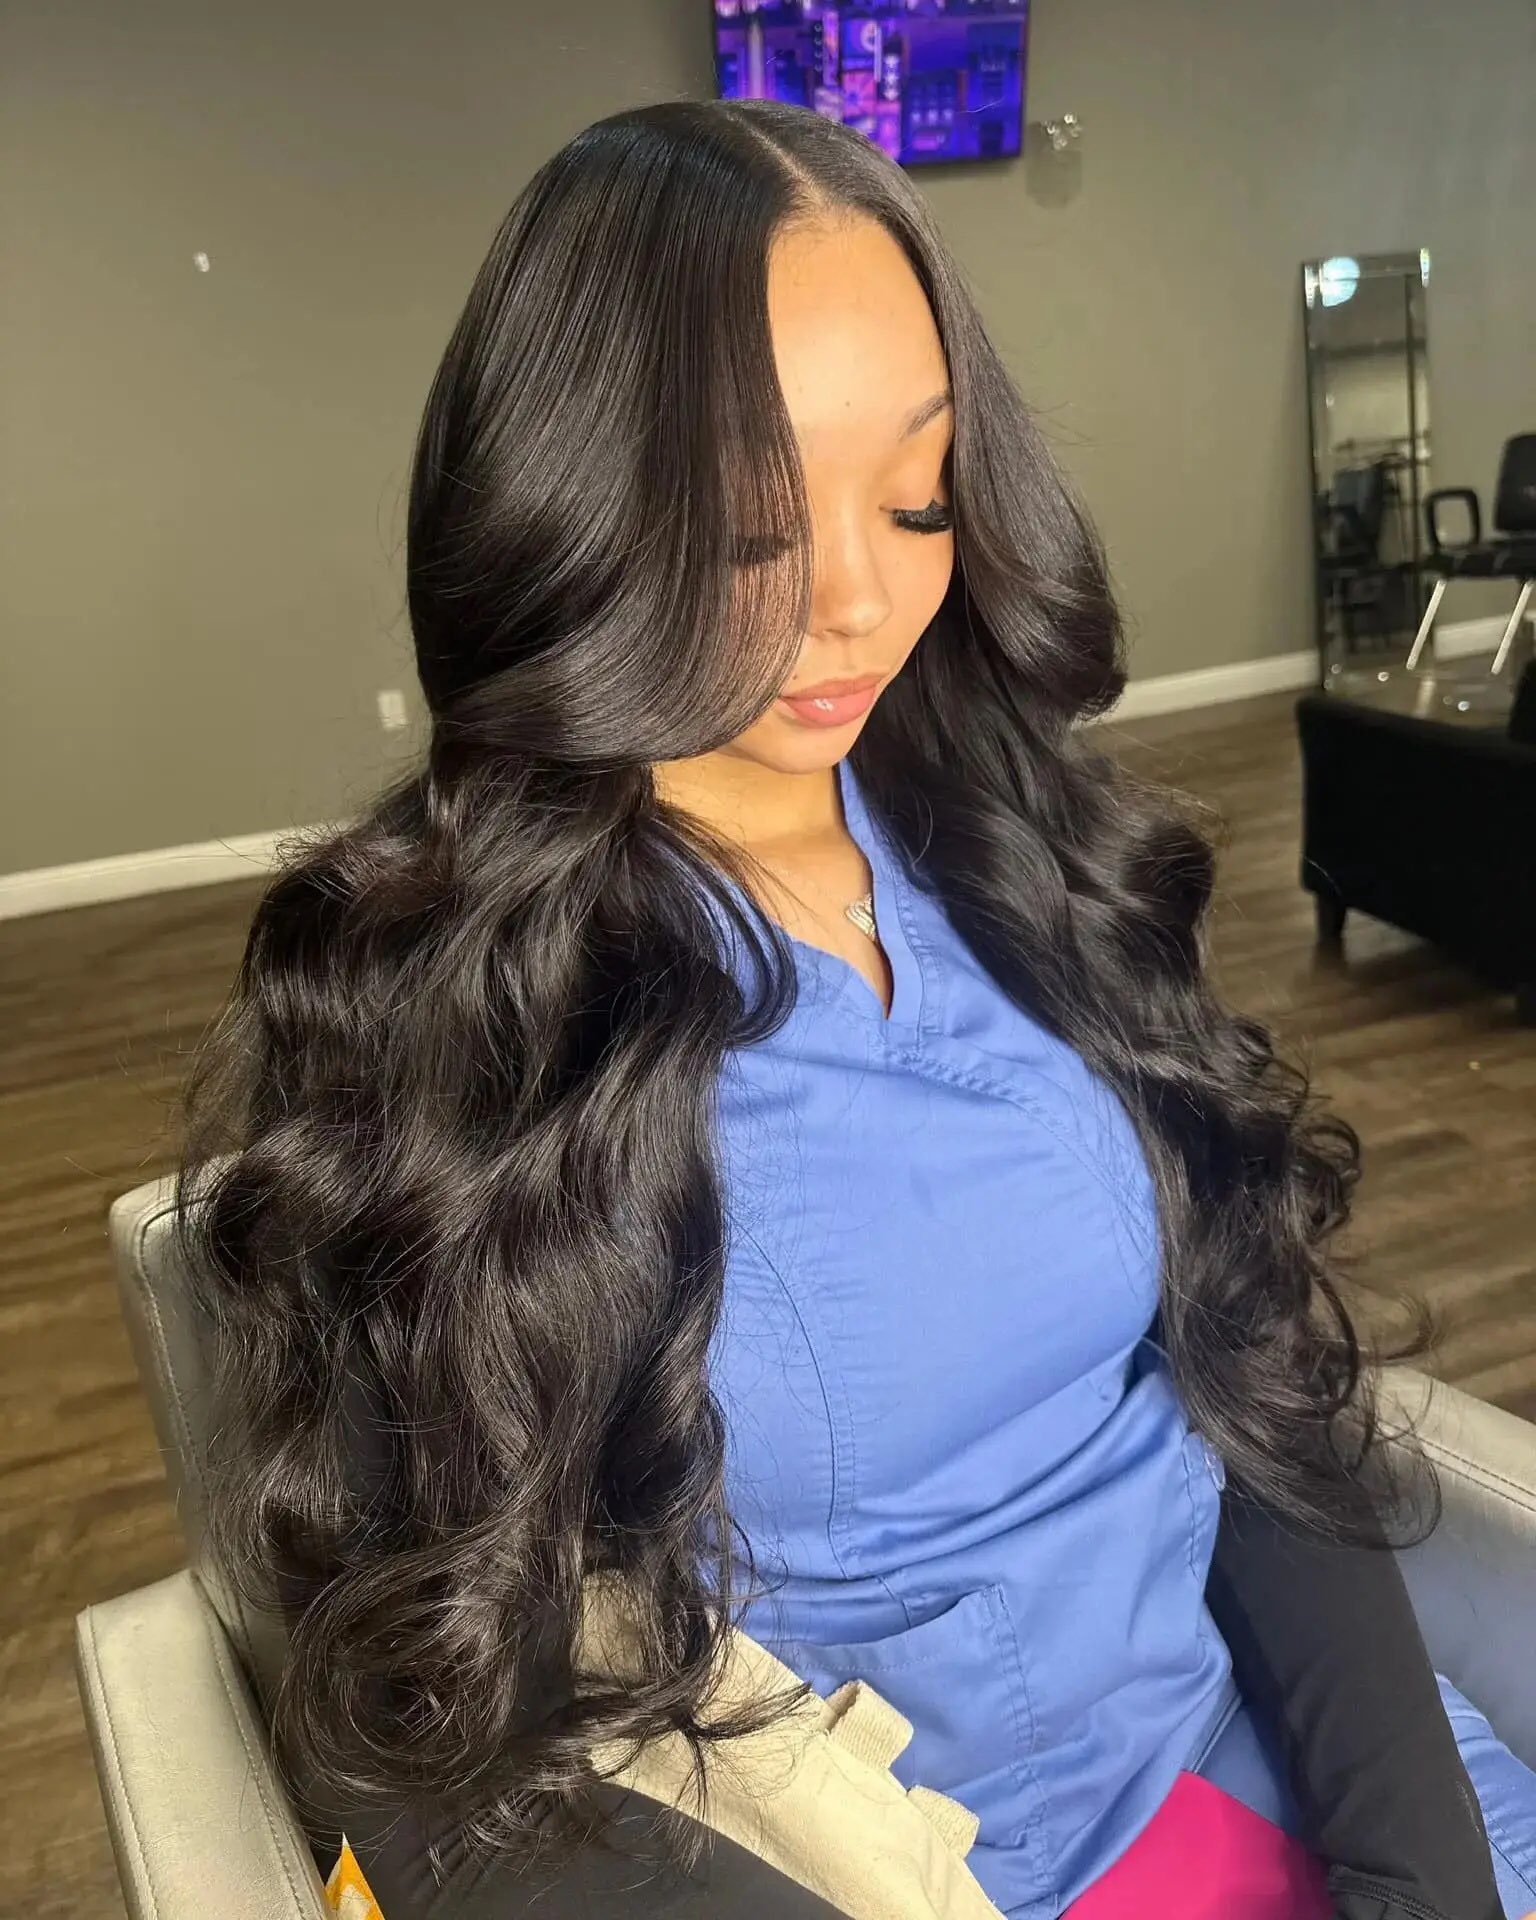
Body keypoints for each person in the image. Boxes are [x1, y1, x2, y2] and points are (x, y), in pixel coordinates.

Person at [172, 100, 1536, 1920]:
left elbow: (1248, 1361)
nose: (861, 599)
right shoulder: (452, 1023)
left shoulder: (1024, 850)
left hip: (1268, 1768)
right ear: (574, 511)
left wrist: (1418, 1871)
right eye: (748, 525)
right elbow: (445, 1750)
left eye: (916, 495)